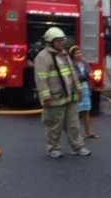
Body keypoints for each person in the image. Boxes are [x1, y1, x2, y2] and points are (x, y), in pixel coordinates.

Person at [34, 27, 91, 159]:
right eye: (58, 41)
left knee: (74, 124)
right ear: (50, 42)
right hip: (54, 98)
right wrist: (46, 97)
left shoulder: (64, 54)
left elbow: (72, 74)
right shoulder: (42, 57)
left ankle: (78, 147)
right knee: (54, 126)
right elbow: (41, 79)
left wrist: (79, 90)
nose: (61, 43)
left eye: (62, 40)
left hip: (69, 97)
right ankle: (53, 148)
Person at [69, 45, 100, 139]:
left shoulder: (84, 63)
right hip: (76, 89)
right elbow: (75, 77)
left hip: (85, 88)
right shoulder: (71, 64)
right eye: (77, 53)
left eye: (80, 53)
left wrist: (92, 75)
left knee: (86, 111)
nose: (79, 54)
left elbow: (90, 72)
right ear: (73, 55)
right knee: (77, 113)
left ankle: (88, 132)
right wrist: (87, 76)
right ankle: (76, 134)